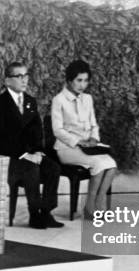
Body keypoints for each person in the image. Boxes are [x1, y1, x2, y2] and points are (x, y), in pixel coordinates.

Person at [0, 62, 63, 229]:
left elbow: (37, 130)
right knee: (31, 168)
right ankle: (34, 214)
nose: (24, 80)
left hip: (30, 154)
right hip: (10, 157)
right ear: (8, 81)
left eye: (26, 76)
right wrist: (24, 154)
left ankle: (46, 212)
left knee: (53, 168)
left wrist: (37, 151)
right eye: (19, 76)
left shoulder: (30, 101)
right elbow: (1, 139)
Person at [51, 60, 117, 218]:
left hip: (88, 146)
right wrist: (78, 141)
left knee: (112, 164)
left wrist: (94, 138)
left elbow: (94, 125)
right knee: (100, 164)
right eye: (79, 80)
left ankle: (97, 203)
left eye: (86, 80)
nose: (83, 85)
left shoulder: (88, 99)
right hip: (67, 148)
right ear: (69, 80)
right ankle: (90, 207)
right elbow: (57, 130)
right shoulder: (58, 100)